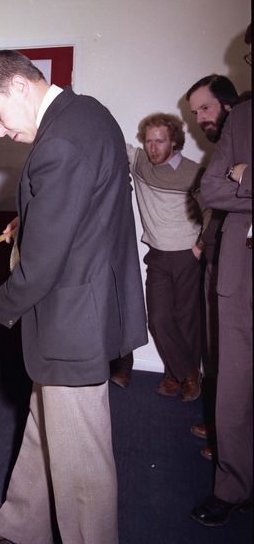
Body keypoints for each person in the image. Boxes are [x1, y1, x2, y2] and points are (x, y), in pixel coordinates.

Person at [0, 50, 147, 544]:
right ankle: (22, 526)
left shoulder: (58, 142)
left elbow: (43, 265)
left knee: (82, 465)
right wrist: (36, 218)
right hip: (84, 306)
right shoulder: (87, 113)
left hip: (72, 320)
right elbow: (85, 209)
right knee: (46, 426)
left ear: (21, 86)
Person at [191, 24, 252, 527]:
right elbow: (212, 189)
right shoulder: (245, 118)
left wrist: (247, 177)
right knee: (234, 382)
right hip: (242, 269)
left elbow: (232, 185)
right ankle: (234, 485)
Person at [113, 113, 207, 401]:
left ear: (174, 142)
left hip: (187, 255)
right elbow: (114, 139)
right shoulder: (141, 162)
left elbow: (213, 211)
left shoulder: (194, 172)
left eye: (160, 141)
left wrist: (199, 246)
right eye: (149, 141)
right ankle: (189, 373)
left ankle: (174, 376)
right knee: (159, 318)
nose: (153, 148)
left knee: (186, 321)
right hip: (158, 255)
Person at [184, 74, 240, 459]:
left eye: (206, 108)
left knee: (235, 355)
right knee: (217, 348)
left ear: (228, 106)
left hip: (238, 260)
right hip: (217, 256)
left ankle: (232, 441)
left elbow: (218, 194)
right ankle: (224, 429)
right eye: (195, 113)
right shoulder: (223, 148)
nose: (201, 118)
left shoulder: (241, 135)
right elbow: (214, 197)